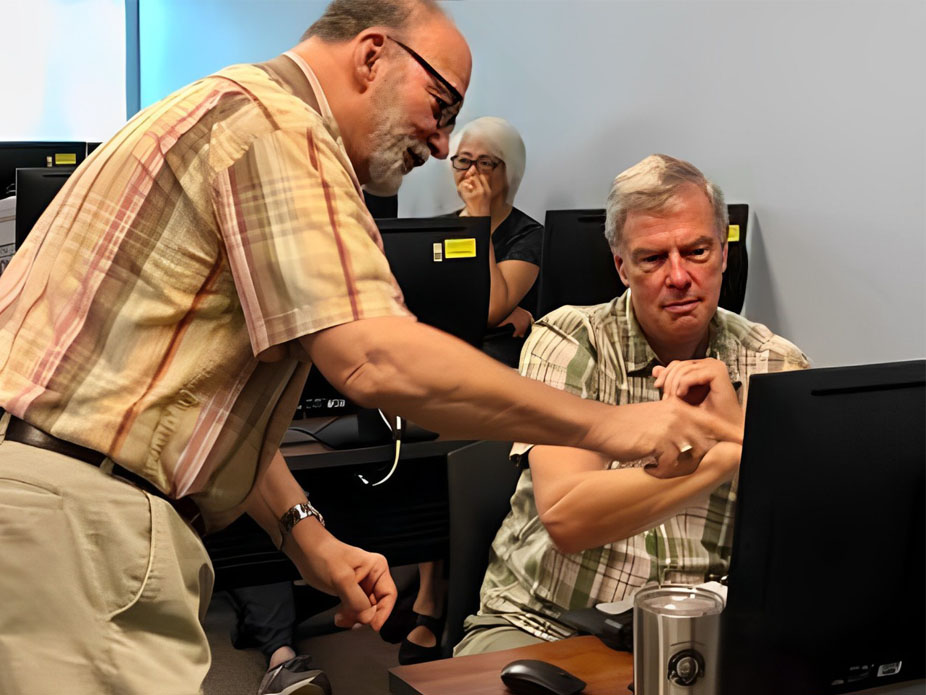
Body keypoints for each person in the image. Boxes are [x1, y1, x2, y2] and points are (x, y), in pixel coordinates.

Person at [0, 0, 740, 688]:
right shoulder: (281, 128)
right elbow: (374, 356)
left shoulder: (231, 113)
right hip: (77, 523)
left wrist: (306, 538)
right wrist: (616, 422)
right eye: (441, 106)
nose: (444, 142)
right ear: (373, 55)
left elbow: (188, 397)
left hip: (57, 501)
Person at [454, 154, 810, 656]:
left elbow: (812, 526)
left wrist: (738, 431)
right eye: (653, 258)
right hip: (546, 625)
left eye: (697, 251)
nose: (680, 276)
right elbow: (569, 519)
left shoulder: (774, 362)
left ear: (725, 253)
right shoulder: (569, 340)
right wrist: (732, 452)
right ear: (621, 266)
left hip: (706, 632)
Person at [450, 116, 542, 366]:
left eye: (485, 163)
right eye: (464, 160)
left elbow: (492, 308)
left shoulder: (529, 235)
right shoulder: (439, 228)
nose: (471, 172)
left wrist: (480, 217)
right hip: (444, 350)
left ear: (509, 170)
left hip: (497, 361)